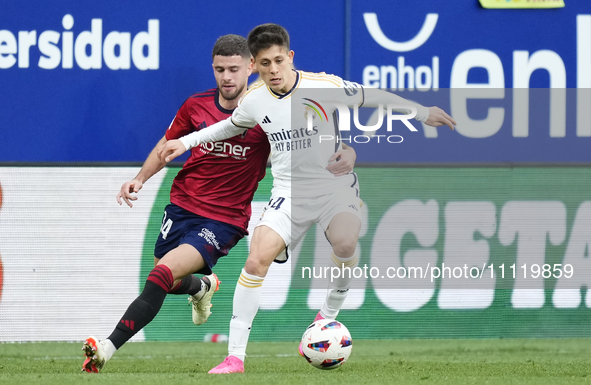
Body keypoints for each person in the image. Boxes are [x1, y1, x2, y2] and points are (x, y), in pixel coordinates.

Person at [158, 23, 457, 374]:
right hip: (288, 192)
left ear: (291, 57)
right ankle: (235, 357)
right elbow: (228, 127)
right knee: (256, 261)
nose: (273, 70)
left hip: (334, 188)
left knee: (346, 242)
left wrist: (422, 112)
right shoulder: (254, 100)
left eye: (279, 61)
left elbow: (372, 97)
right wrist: (187, 141)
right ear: (254, 63)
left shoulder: (323, 86)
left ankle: (327, 316)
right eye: (265, 63)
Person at [81, 34, 357, 373]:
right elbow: (168, 144)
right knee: (166, 279)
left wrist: (345, 154)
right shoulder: (195, 105)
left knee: (161, 274)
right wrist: (141, 178)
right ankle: (202, 286)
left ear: (250, 68)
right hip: (182, 206)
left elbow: (310, 147)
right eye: (219, 69)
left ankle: (106, 348)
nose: (226, 77)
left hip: (223, 220)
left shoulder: (266, 110)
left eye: (234, 69)